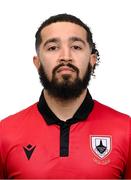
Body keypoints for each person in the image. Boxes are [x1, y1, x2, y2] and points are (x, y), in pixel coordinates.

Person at [0, 13, 131, 179]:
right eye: (53, 47)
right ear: (37, 62)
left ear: (92, 60)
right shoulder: (4, 133)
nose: (65, 57)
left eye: (76, 47)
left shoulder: (127, 130)